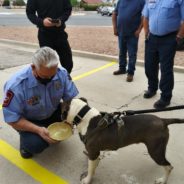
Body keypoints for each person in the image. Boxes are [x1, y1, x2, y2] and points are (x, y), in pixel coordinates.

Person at [2, 47, 79, 159]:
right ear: (33, 67)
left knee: (74, 121)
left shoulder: (61, 73)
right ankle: (24, 142)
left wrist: (68, 117)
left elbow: (69, 99)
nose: (49, 79)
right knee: (35, 145)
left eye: (52, 76)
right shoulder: (16, 86)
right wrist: (38, 130)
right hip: (29, 119)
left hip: (52, 111)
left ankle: (46, 128)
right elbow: (12, 119)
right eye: (44, 76)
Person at [142, 0, 184, 109]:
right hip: (152, 38)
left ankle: (165, 97)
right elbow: (145, 17)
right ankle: (152, 88)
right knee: (149, 66)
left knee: (166, 69)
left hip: (169, 38)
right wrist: (146, 33)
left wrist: (179, 36)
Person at [26, 0, 73, 73]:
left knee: (68, 62)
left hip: (60, 34)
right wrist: (42, 22)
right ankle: (48, 82)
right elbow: (30, 13)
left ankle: (65, 79)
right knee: (46, 64)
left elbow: (68, 9)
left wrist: (61, 20)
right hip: (44, 35)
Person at [112, 0, 145, 82]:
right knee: (122, 52)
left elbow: (144, 16)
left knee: (132, 54)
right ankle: (122, 68)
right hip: (121, 32)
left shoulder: (141, 1)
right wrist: (115, 28)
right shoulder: (120, 1)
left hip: (133, 34)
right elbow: (114, 14)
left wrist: (139, 30)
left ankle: (130, 73)